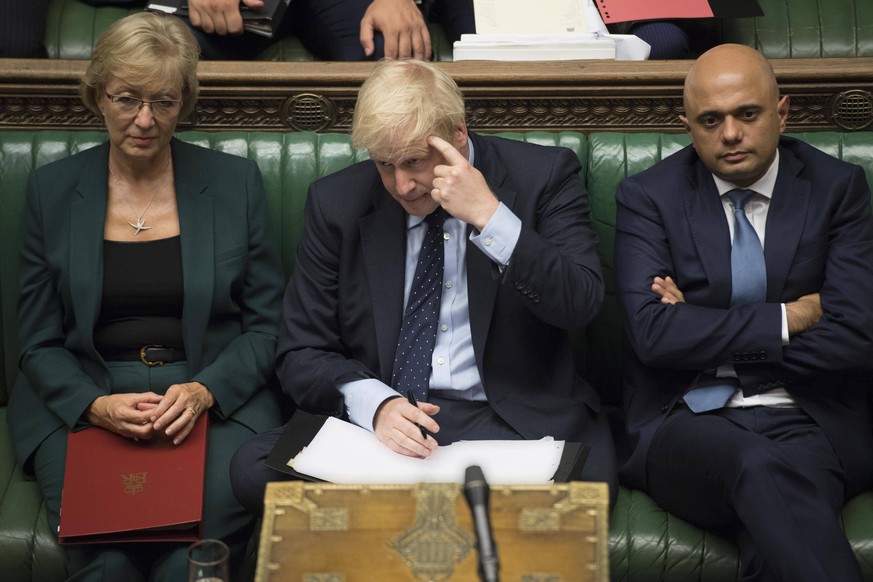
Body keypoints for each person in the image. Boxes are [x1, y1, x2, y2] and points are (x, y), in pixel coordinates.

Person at [230, 58, 617, 514]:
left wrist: (490, 217)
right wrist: (375, 406)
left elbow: (580, 302)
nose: (401, 185)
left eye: (414, 161)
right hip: (388, 425)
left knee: (584, 489)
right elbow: (300, 349)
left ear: (457, 133)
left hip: (510, 419)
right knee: (253, 468)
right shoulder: (337, 203)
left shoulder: (542, 177)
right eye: (384, 164)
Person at [7, 12, 287, 580]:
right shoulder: (53, 191)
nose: (144, 119)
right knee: (107, 561)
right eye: (127, 98)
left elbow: (269, 326)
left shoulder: (235, 184)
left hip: (209, 394)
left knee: (187, 563)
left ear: (184, 102)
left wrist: (206, 389)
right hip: (85, 396)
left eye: (162, 101)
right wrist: (93, 405)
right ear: (97, 96)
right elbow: (36, 341)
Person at [614, 43, 873, 581]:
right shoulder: (649, 197)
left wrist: (704, 330)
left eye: (747, 114)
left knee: (772, 539)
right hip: (685, 423)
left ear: (781, 111)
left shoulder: (837, 189)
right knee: (754, 464)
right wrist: (791, 316)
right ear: (687, 125)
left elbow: (856, 336)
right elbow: (653, 335)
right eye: (711, 120)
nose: (730, 134)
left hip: (807, 418)